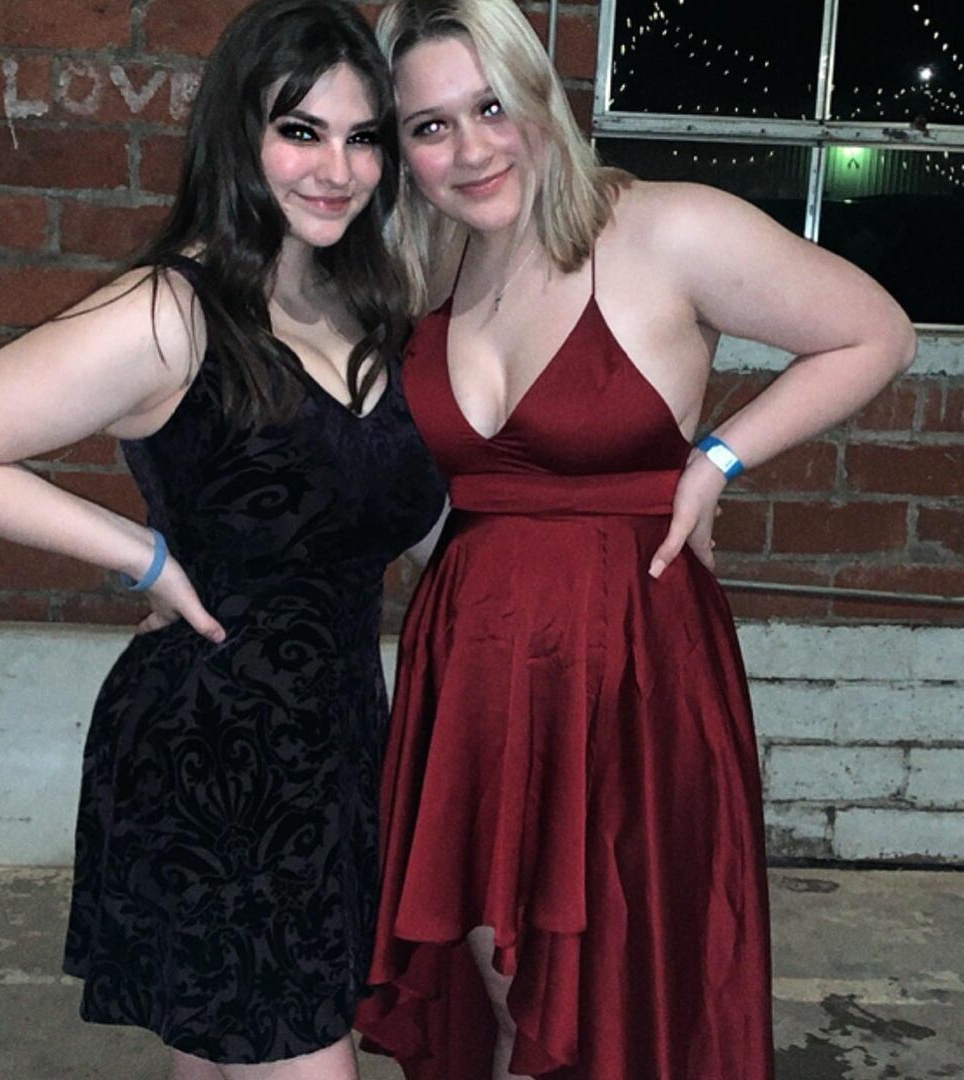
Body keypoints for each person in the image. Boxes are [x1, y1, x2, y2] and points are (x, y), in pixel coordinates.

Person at [354, 2, 917, 1079]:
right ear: (401, 148)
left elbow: (874, 333)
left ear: (540, 97)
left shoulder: (665, 229)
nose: (470, 149)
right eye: (430, 127)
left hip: (630, 672)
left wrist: (717, 460)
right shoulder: (428, 273)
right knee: (495, 976)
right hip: (471, 671)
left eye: (491, 107)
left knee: (612, 977)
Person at [0, 1, 445, 1077]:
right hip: (218, 750)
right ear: (238, 133)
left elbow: (404, 513)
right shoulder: (172, 312)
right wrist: (142, 556)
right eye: (301, 131)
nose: (338, 169)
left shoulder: (363, 306)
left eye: (363, 137)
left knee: (222, 1053)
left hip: (334, 743)